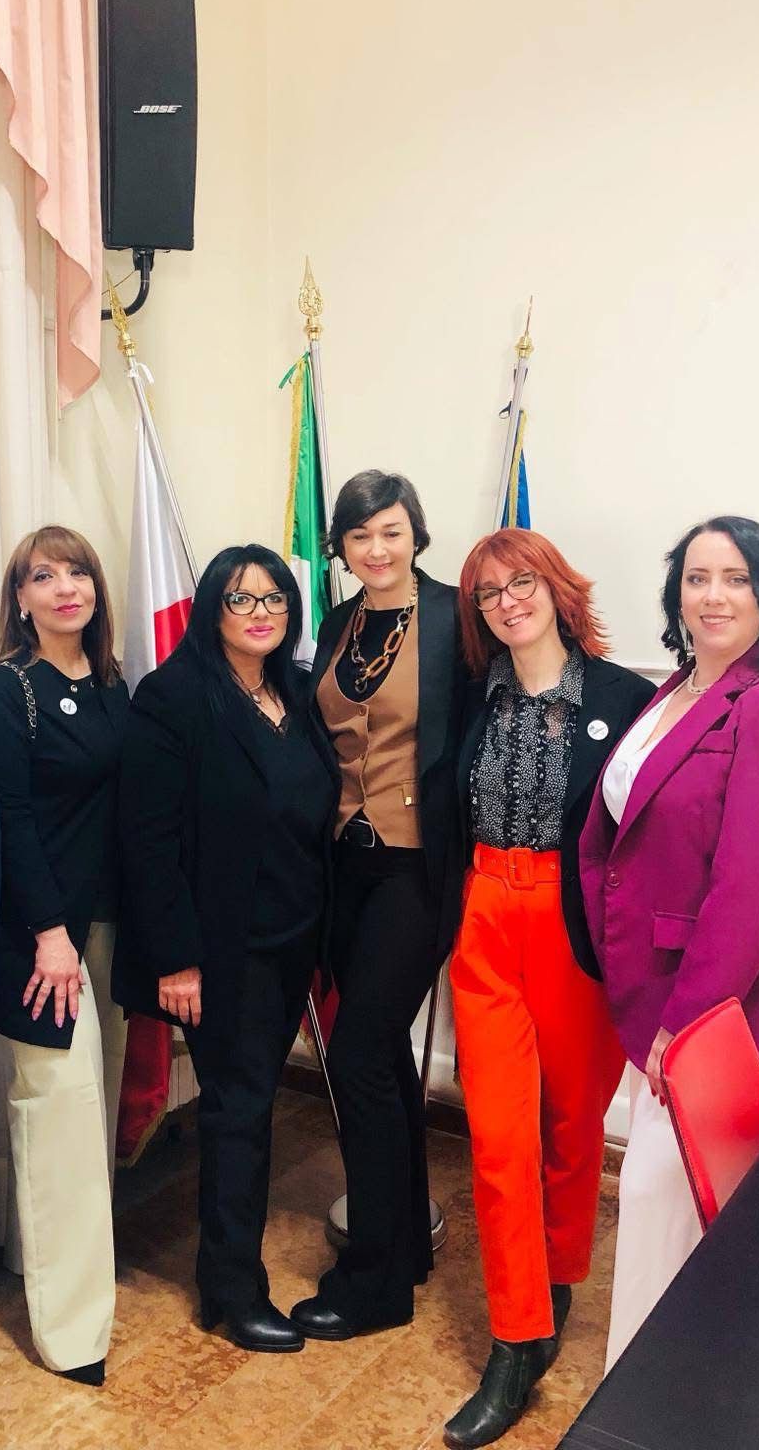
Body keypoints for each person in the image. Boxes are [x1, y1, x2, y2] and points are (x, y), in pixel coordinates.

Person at [580, 515, 759, 1369]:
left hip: (723, 1021)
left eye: (736, 578)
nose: (714, 596)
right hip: (661, 999)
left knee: (676, 1226)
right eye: (697, 578)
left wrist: (684, 1023)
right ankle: (653, 1401)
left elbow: (754, 894)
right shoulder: (679, 690)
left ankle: (650, 1408)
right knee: (667, 1224)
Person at [441, 529, 654, 1449]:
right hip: (486, 913)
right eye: (488, 594)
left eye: (521, 582)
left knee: (573, 1122)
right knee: (498, 1137)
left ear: (557, 588)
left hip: (574, 929)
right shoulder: (473, 696)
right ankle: (515, 1337)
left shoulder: (626, 699)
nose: (508, 602)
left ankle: (562, 1274)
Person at [115, 545, 337, 1353]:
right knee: (237, 1113)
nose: (260, 613)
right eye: (242, 599)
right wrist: (177, 958)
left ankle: (230, 1274)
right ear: (212, 609)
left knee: (251, 1105)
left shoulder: (296, 691)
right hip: (217, 952)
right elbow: (147, 840)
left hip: (290, 940)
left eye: (274, 599)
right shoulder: (173, 697)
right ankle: (232, 1290)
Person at [291, 470, 464, 1341]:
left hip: (417, 869)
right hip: (345, 868)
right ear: (342, 547)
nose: (376, 548)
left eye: (391, 530)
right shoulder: (338, 623)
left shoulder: (457, 619)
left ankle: (374, 1281)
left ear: (415, 534)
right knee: (385, 1057)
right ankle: (405, 1249)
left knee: (357, 1056)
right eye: (359, 535)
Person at [0, 526, 130, 1387]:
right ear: (20, 598)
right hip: (41, 943)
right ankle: (72, 1336)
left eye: (78, 572)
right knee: (59, 1118)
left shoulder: (109, 684)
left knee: (84, 1121)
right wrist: (48, 933)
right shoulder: (8, 690)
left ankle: (49, 1267)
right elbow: (9, 820)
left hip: (103, 930)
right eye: (43, 575)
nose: (65, 587)